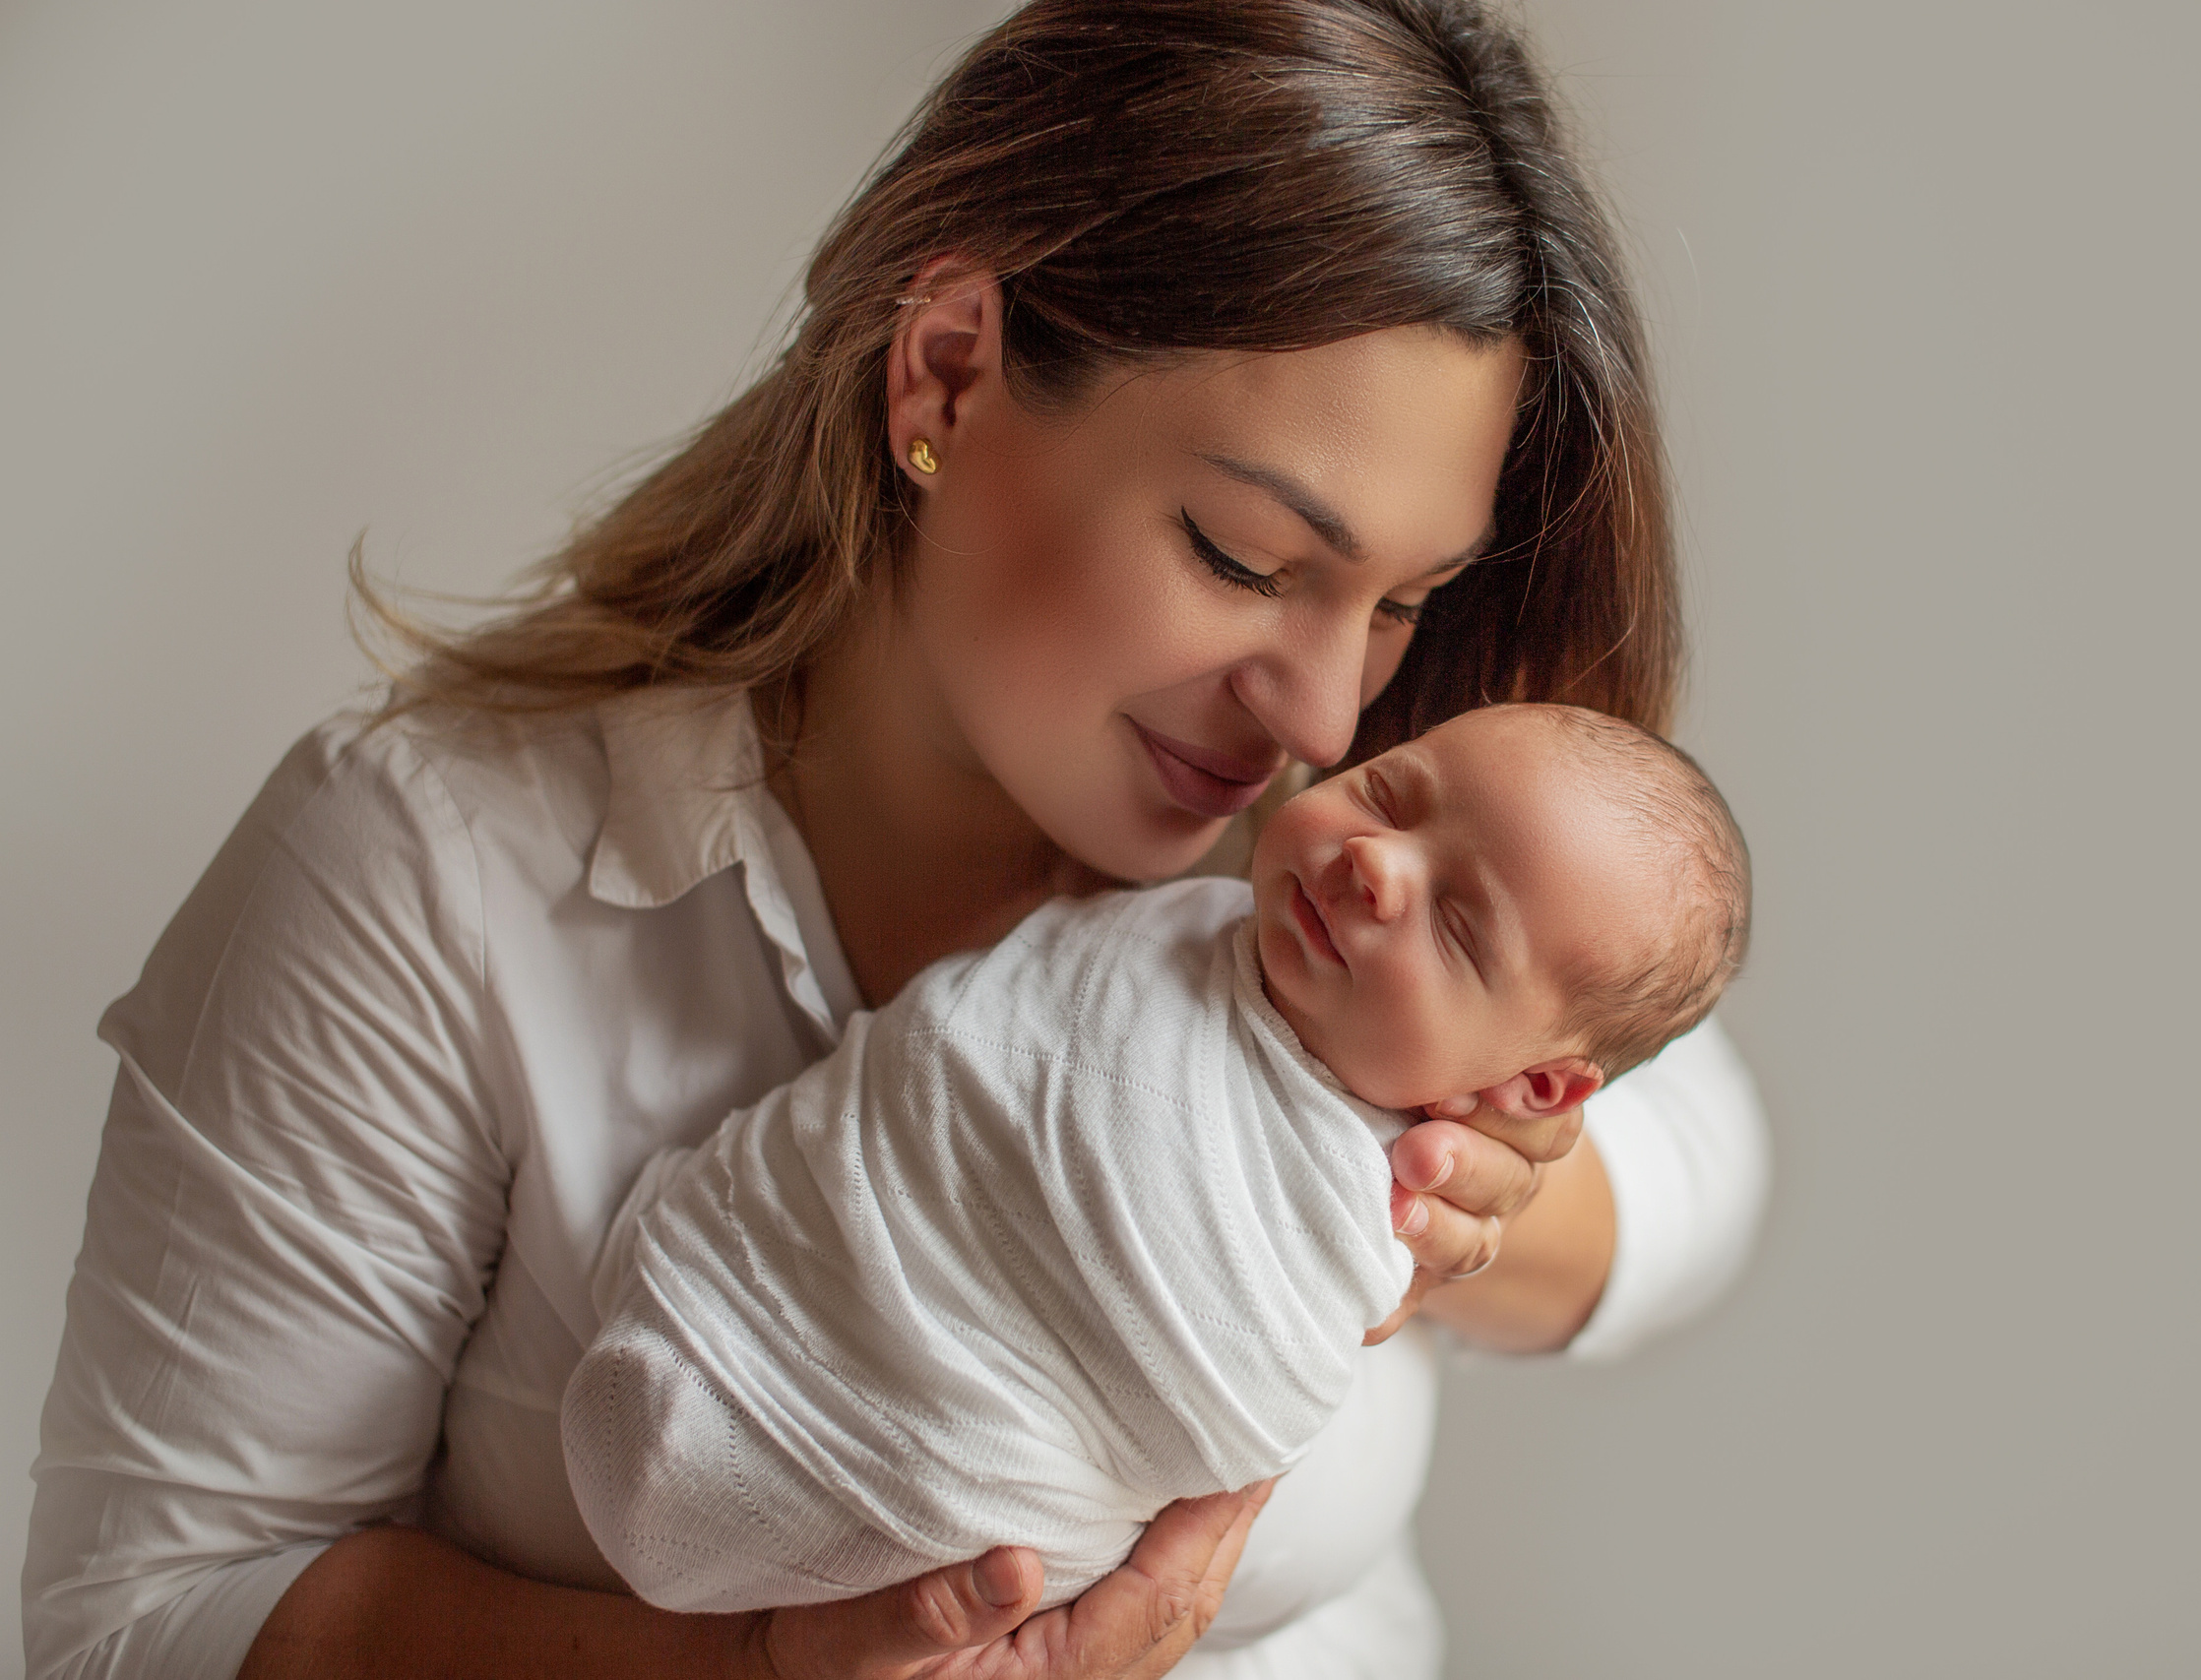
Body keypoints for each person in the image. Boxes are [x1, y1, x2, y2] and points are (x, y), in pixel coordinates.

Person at [23, 3, 1770, 1677]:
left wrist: (1460, 1205)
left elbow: (1699, 1149)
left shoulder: (1362, 866)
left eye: (1403, 601)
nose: (1324, 716)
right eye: (1246, 556)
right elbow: (141, 1626)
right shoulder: (427, 871)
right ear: (946, 375)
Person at [562, 704, 1750, 1617]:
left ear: (1537, 1091)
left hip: (897, 1483)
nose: (1379, 862)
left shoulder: (1350, 1214)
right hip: (733, 1292)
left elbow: (1217, 1402)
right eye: (1390, 792)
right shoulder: (1187, 929)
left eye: (1454, 922)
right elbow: (956, 1063)